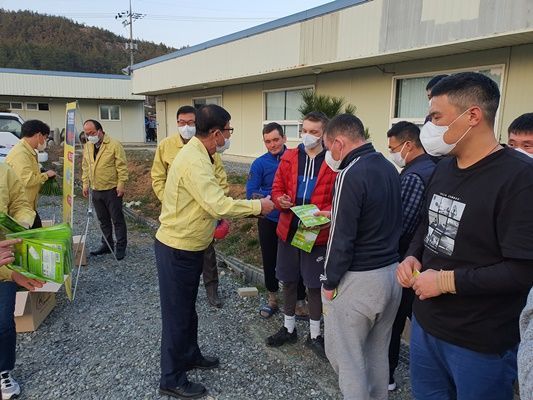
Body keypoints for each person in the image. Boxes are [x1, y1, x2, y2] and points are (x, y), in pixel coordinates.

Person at [397, 72, 533, 399]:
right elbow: (426, 225)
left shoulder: (520, 178)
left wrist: (443, 282)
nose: (428, 127)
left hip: (479, 342)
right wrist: (412, 255)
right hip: (426, 325)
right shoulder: (443, 166)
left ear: (472, 115)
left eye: (436, 117)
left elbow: (522, 270)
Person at [155, 104, 274, 399]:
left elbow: (215, 197)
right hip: (177, 247)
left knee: (187, 310)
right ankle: (171, 377)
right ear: (217, 133)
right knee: (176, 315)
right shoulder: (194, 160)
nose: (229, 137)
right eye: (229, 131)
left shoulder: (203, 154)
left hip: (191, 245)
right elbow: (218, 204)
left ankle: (190, 354)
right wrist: (260, 206)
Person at [320, 114, 402, 399]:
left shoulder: (349, 173)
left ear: (339, 142)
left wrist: (329, 282)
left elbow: (340, 240)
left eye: (329, 147)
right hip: (392, 274)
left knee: (350, 360)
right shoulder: (388, 167)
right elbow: (378, 215)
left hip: (359, 280)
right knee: (377, 354)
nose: (330, 155)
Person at [266, 112, 337, 359]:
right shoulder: (290, 156)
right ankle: (289, 327)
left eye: (314, 132)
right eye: (304, 130)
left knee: (314, 285)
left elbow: (338, 197)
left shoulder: (332, 160)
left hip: (316, 233)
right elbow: (277, 188)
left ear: (324, 134)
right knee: (288, 280)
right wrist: (280, 200)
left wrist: (324, 214)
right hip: (289, 228)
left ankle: (316, 334)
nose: (308, 135)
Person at [151, 105, 228, 307]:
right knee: (181, 297)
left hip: (205, 214)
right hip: (180, 216)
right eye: (182, 123)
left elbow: (220, 178)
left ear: (199, 124)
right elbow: (158, 177)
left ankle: (212, 290)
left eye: (190, 122)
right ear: (177, 123)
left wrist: (218, 200)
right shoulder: (167, 146)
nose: (186, 126)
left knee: (207, 255)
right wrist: (169, 199)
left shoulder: (209, 148)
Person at [386, 121, 436, 391]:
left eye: (393, 148)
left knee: (395, 322)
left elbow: (402, 223)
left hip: (408, 260)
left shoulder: (414, 176)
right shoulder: (431, 167)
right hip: (423, 259)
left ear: (408, 144)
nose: (392, 153)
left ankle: (387, 376)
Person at [246, 123, 307, 318]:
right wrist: (276, 196)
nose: (272, 145)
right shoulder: (259, 164)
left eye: (275, 140)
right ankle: (272, 298)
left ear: (284, 139)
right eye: (267, 141)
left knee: (298, 261)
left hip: (294, 220)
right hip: (270, 220)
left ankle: (300, 301)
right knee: (269, 259)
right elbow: (252, 194)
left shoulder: (298, 159)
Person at [1, 162, 44, 400]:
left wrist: (22, 224)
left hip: (4, 263)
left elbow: (20, 203)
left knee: (4, 322)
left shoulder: (3, 170)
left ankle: (3, 370)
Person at [81, 119, 129, 260]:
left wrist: (121, 184)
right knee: (103, 220)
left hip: (112, 189)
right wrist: (85, 183)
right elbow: (85, 166)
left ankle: (121, 246)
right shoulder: (88, 146)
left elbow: (122, 166)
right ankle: (107, 245)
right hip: (96, 189)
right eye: (87, 133)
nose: (90, 136)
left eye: (92, 133)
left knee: (117, 219)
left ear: (100, 131)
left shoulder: (114, 145)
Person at [5, 119, 56, 229]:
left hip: (27, 205)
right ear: (38, 135)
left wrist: (41, 172)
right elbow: (27, 180)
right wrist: (46, 175)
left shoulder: (27, 151)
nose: (45, 141)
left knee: (34, 232)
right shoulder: (20, 154)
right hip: (20, 207)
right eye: (45, 137)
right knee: (33, 235)